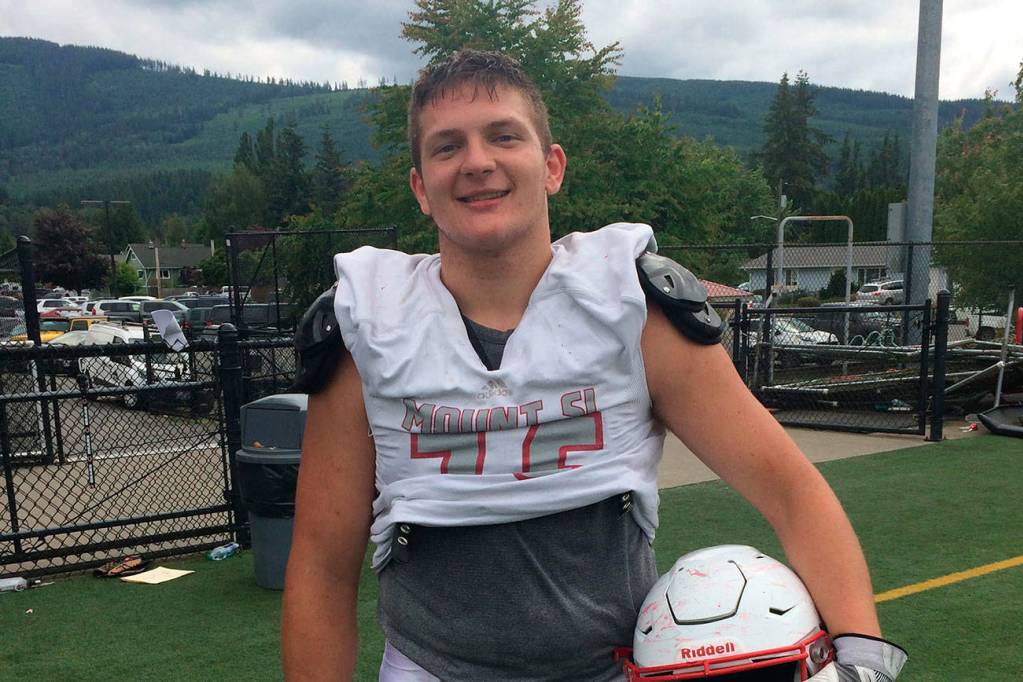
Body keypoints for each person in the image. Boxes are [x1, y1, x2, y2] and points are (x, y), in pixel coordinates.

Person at [281, 49, 905, 682]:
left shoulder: (632, 309)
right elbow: (323, 565)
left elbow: (791, 490)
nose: (477, 162)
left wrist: (862, 659)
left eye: (503, 135)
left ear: (552, 166)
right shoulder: (369, 325)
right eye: (446, 147)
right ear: (420, 186)